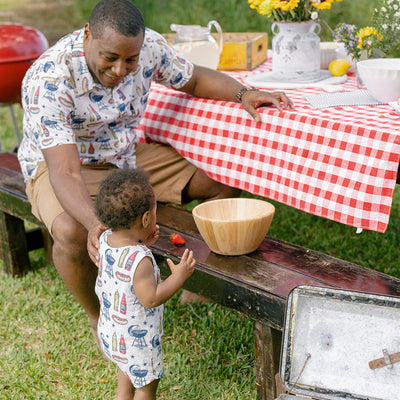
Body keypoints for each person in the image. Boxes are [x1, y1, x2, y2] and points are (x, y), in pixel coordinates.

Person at [17, 0, 293, 350]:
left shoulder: (148, 48)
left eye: (130, 60)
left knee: (223, 176)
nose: (121, 69)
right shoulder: (49, 78)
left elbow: (194, 79)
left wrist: (243, 92)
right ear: (87, 35)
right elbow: (65, 171)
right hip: (64, 166)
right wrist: (95, 224)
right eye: (110, 57)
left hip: (126, 158)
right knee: (72, 231)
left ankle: (193, 280)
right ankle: (97, 314)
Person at [94, 167, 195, 399]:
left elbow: (122, 271)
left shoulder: (105, 239)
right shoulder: (142, 261)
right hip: (137, 340)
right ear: (146, 218)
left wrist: (141, 242)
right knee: (147, 384)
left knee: (126, 367)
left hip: (113, 332)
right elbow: (151, 298)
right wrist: (179, 277)